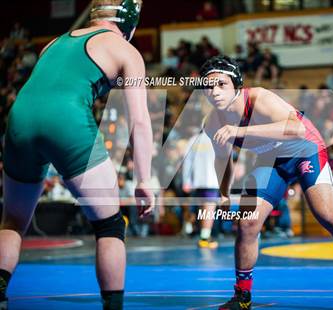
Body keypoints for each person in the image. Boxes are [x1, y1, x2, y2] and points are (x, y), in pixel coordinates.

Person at [200, 55, 333, 309]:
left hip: (304, 148)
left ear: (235, 84)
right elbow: (222, 160)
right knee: (247, 223)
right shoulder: (212, 122)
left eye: (221, 84)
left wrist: (240, 131)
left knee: (327, 214)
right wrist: (224, 194)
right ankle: (242, 296)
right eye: (208, 85)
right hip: (271, 159)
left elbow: (297, 129)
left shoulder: (258, 98)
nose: (214, 91)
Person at [0, 1, 154, 309]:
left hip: (18, 119)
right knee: (109, 225)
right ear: (131, 25)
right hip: (66, 119)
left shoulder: (55, 42)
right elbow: (139, 119)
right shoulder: (126, 51)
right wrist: (144, 179)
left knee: (13, 221)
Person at [182, 131, 220, 248]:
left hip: (198, 181)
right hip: (212, 180)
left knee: (203, 208)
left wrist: (186, 181)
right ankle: (204, 237)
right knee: (209, 208)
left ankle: (200, 233)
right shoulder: (218, 138)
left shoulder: (194, 139)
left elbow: (187, 162)